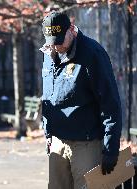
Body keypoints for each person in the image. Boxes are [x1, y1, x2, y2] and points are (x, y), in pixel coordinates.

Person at [40, 12, 122, 189]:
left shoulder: (92, 53)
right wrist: (48, 134)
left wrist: (111, 148)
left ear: (71, 29)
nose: (56, 46)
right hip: (57, 141)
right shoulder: (48, 53)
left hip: (86, 143)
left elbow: (110, 103)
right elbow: (48, 96)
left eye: (60, 40)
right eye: (51, 41)